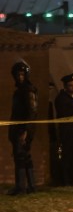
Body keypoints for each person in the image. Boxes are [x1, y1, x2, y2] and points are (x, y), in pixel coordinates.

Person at [8, 61, 39, 195]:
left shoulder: (28, 90)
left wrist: (25, 130)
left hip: (23, 129)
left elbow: (32, 111)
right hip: (18, 128)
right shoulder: (19, 91)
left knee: (20, 156)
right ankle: (31, 186)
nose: (20, 77)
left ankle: (21, 187)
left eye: (22, 74)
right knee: (24, 156)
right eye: (18, 74)